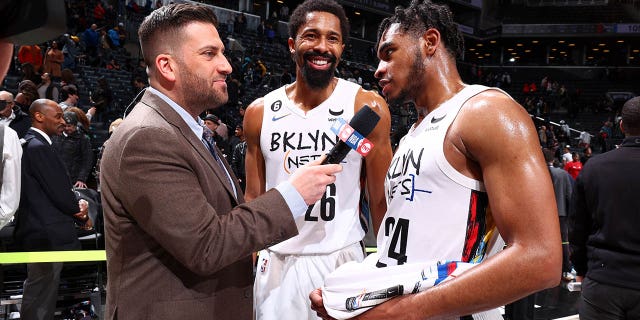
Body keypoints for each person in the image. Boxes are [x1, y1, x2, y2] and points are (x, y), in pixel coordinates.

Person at [310, 1, 561, 319]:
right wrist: (351, 300)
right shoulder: (410, 137)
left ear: (429, 42)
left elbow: (541, 258)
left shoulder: (485, 112)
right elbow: (404, 252)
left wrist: (396, 314)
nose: (378, 70)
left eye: (389, 53)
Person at [99, 4, 342, 319]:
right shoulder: (148, 138)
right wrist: (293, 194)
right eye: (209, 54)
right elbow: (206, 245)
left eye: (223, 53)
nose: (226, 66)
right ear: (167, 66)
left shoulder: (183, 130)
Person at [244, 0, 392, 318]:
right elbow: (253, 199)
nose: (322, 47)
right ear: (291, 44)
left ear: (341, 48)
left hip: (342, 261)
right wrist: (248, 266)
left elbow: (380, 199)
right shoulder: (259, 112)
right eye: (311, 36)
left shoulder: (365, 106)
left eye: (333, 38)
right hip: (278, 263)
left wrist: (387, 269)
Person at [14, 99, 88, 320]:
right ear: (39, 116)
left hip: (41, 230)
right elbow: (58, 190)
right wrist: (79, 210)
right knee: (41, 290)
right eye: (57, 116)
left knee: (42, 287)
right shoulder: (37, 147)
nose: (63, 121)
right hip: (45, 233)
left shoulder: (32, 143)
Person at [569, 96, 640, 320]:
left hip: (603, 279)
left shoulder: (594, 167)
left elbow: (578, 228)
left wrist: (580, 269)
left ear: (621, 125)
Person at [543, 149, 574, 282]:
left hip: (542, 214)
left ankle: (544, 269)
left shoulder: (538, 174)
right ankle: (565, 270)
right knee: (563, 241)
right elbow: (569, 196)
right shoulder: (562, 174)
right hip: (561, 213)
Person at [52, 111, 94, 189]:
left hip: (74, 180)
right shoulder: (55, 136)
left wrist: (81, 178)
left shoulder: (83, 139)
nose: (67, 128)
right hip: (56, 177)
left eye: (69, 126)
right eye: (64, 126)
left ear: (75, 125)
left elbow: (87, 160)